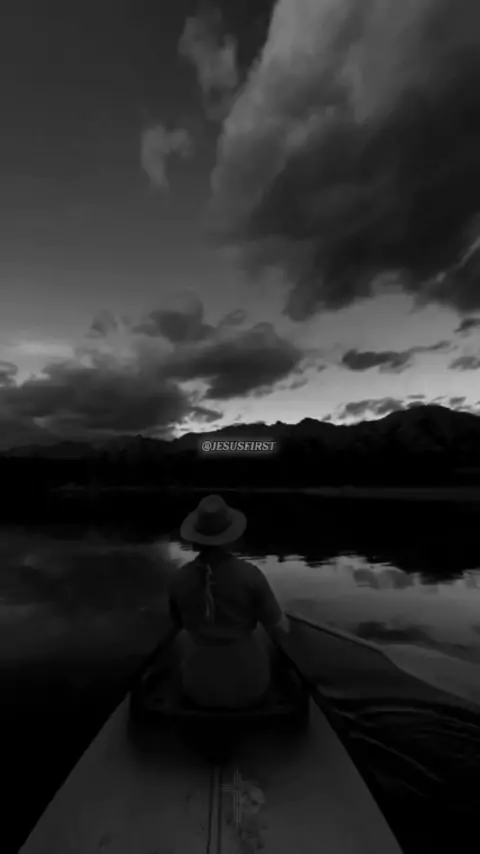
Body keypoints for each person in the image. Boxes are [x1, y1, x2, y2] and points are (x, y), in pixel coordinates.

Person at [163, 494, 290, 709]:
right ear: (230, 537)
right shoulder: (252, 576)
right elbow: (280, 630)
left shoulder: (178, 579)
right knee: (268, 640)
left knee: (180, 642)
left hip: (197, 690)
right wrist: (281, 619)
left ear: (196, 538)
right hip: (252, 687)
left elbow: (176, 624)